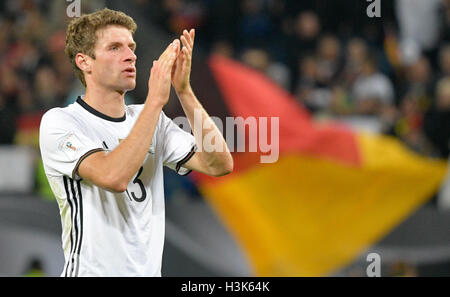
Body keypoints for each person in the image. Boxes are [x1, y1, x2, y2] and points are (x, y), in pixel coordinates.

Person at [38, 8, 233, 277]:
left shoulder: (150, 117)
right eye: (115, 48)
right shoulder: (61, 122)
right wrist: (155, 101)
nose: (130, 56)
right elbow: (113, 176)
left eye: (131, 47)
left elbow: (219, 164)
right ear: (85, 62)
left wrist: (184, 91)